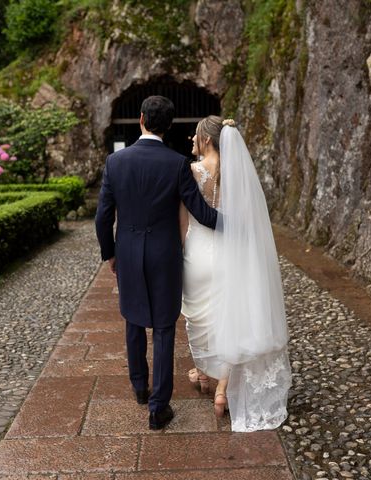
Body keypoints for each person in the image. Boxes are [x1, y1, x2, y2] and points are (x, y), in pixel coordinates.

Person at [95, 95, 217, 430]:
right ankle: (158, 407)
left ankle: (139, 387)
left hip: (130, 252)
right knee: (164, 328)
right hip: (165, 255)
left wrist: (111, 253)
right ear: (168, 126)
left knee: (133, 320)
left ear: (141, 120)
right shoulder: (177, 163)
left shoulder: (115, 162)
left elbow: (102, 218)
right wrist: (236, 223)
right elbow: (202, 213)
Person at [180, 115, 292, 432]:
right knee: (230, 316)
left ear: (205, 139)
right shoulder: (238, 173)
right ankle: (222, 389)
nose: (191, 140)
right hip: (232, 254)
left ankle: (206, 373)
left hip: (200, 254)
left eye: (195, 135)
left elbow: (184, 221)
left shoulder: (191, 171)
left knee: (201, 318)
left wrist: (179, 252)